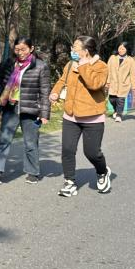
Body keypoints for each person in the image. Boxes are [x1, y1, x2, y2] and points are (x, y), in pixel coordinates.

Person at [0, 36, 51, 185]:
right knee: (3, 140)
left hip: (30, 109)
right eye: (17, 49)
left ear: (31, 49)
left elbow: (45, 91)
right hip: (10, 107)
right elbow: (2, 86)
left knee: (30, 143)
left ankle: (33, 172)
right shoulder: (10, 64)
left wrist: (45, 114)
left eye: (23, 49)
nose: (20, 52)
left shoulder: (40, 66)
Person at [49, 36, 111, 197]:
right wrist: (55, 92)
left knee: (92, 153)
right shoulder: (70, 64)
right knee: (67, 150)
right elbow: (62, 80)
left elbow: (94, 84)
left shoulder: (101, 66)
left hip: (93, 117)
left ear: (86, 50)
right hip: (71, 115)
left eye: (75, 48)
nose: (72, 50)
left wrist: (83, 65)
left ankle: (102, 172)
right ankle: (69, 182)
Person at [105, 42, 135, 123]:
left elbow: (133, 74)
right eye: (119, 48)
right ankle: (116, 110)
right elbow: (108, 70)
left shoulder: (130, 60)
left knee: (120, 100)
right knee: (112, 99)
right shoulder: (112, 58)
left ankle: (119, 115)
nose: (120, 50)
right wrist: (107, 82)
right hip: (113, 82)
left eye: (123, 49)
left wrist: (134, 86)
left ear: (127, 50)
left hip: (124, 84)